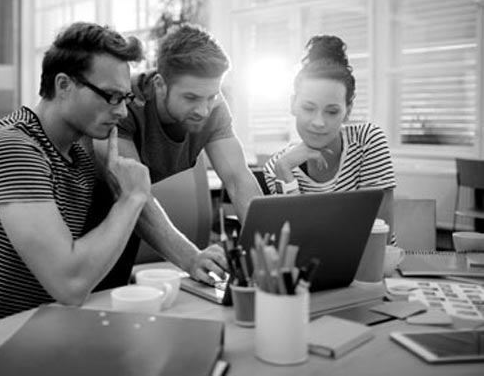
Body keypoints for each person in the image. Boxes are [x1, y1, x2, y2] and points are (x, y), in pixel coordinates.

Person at [0, 22, 152, 351]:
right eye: (112, 96)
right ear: (64, 85)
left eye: (125, 97)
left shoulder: (79, 157)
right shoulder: (12, 148)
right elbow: (70, 284)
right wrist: (132, 198)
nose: (122, 111)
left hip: (34, 337)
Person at [93, 23, 263, 286]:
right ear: (160, 84)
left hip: (128, 217)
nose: (203, 110)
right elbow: (130, 192)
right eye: (191, 97)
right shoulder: (122, 103)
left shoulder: (213, 106)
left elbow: (238, 180)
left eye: (211, 97)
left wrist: (269, 252)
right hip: (87, 215)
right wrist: (191, 258)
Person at [262, 35, 396, 234]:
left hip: (372, 262)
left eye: (332, 111)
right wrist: (284, 171)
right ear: (293, 104)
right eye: (309, 108)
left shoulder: (367, 140)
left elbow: (378, 234)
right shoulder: (279, 166)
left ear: (348, 110)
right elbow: (295, 241)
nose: (319, 122)